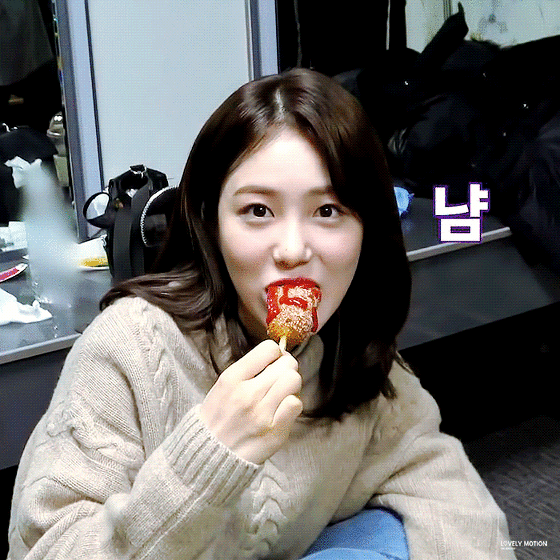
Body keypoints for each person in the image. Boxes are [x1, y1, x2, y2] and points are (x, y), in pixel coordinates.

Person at [7, 68, 515, 560]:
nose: (293, 250)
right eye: (258, 211)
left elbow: (455, 504)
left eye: (328, 211)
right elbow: (49, 547)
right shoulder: (129, 348)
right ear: (211, 223)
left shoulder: (353, 350)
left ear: (369, 229)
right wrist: (205, 459)